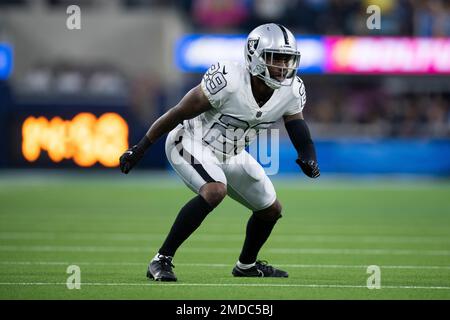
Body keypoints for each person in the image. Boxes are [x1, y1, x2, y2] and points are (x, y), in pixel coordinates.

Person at [119, 23, 320, 282]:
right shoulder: (229, 79)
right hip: (191, 141)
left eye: (287, 59)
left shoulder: (290, 90)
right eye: (275, 58)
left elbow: (297, 126)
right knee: (215, 190)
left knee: (270, 210)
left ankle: (246, 265)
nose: (283, 67)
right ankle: (161, 260)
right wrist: (141, 147)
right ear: (254, 56)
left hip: (231, 153)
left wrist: (308, 155)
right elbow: (179, 112)